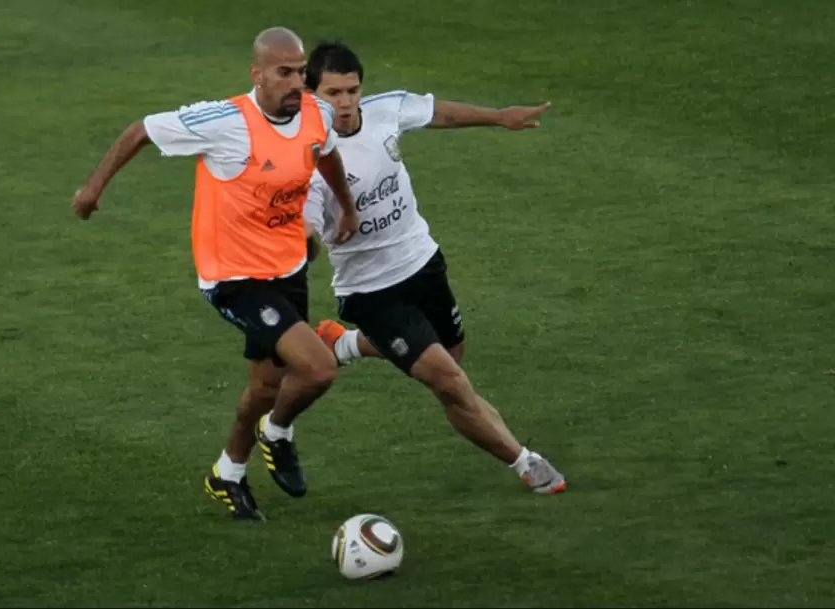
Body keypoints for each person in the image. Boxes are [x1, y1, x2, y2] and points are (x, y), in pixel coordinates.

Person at [71, 28, 361, 521]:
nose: (296, 82)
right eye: (283, 72)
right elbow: (141, 129)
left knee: (266, 387)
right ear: (258, 74)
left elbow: (325, 152)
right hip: (234, 278)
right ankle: (277, 433)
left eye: (299, 72)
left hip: (288, 266)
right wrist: (92, 189)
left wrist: (347, 210)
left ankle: (227, 473)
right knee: (317, 367)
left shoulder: (316, 112)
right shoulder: (226, 121)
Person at [302, 42, 567, 494]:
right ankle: (526, 462)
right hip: (370, 290)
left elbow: (438, 113)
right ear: (311, 96)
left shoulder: (384, 112)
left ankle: (345, 345)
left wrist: (502, 116)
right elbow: (306, 225)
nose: (344, 103)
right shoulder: (306, 160)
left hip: (422, 263)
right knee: (449, 382)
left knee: (450, 357)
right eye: (332, 93)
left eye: (351, 91)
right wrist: (304, 247)